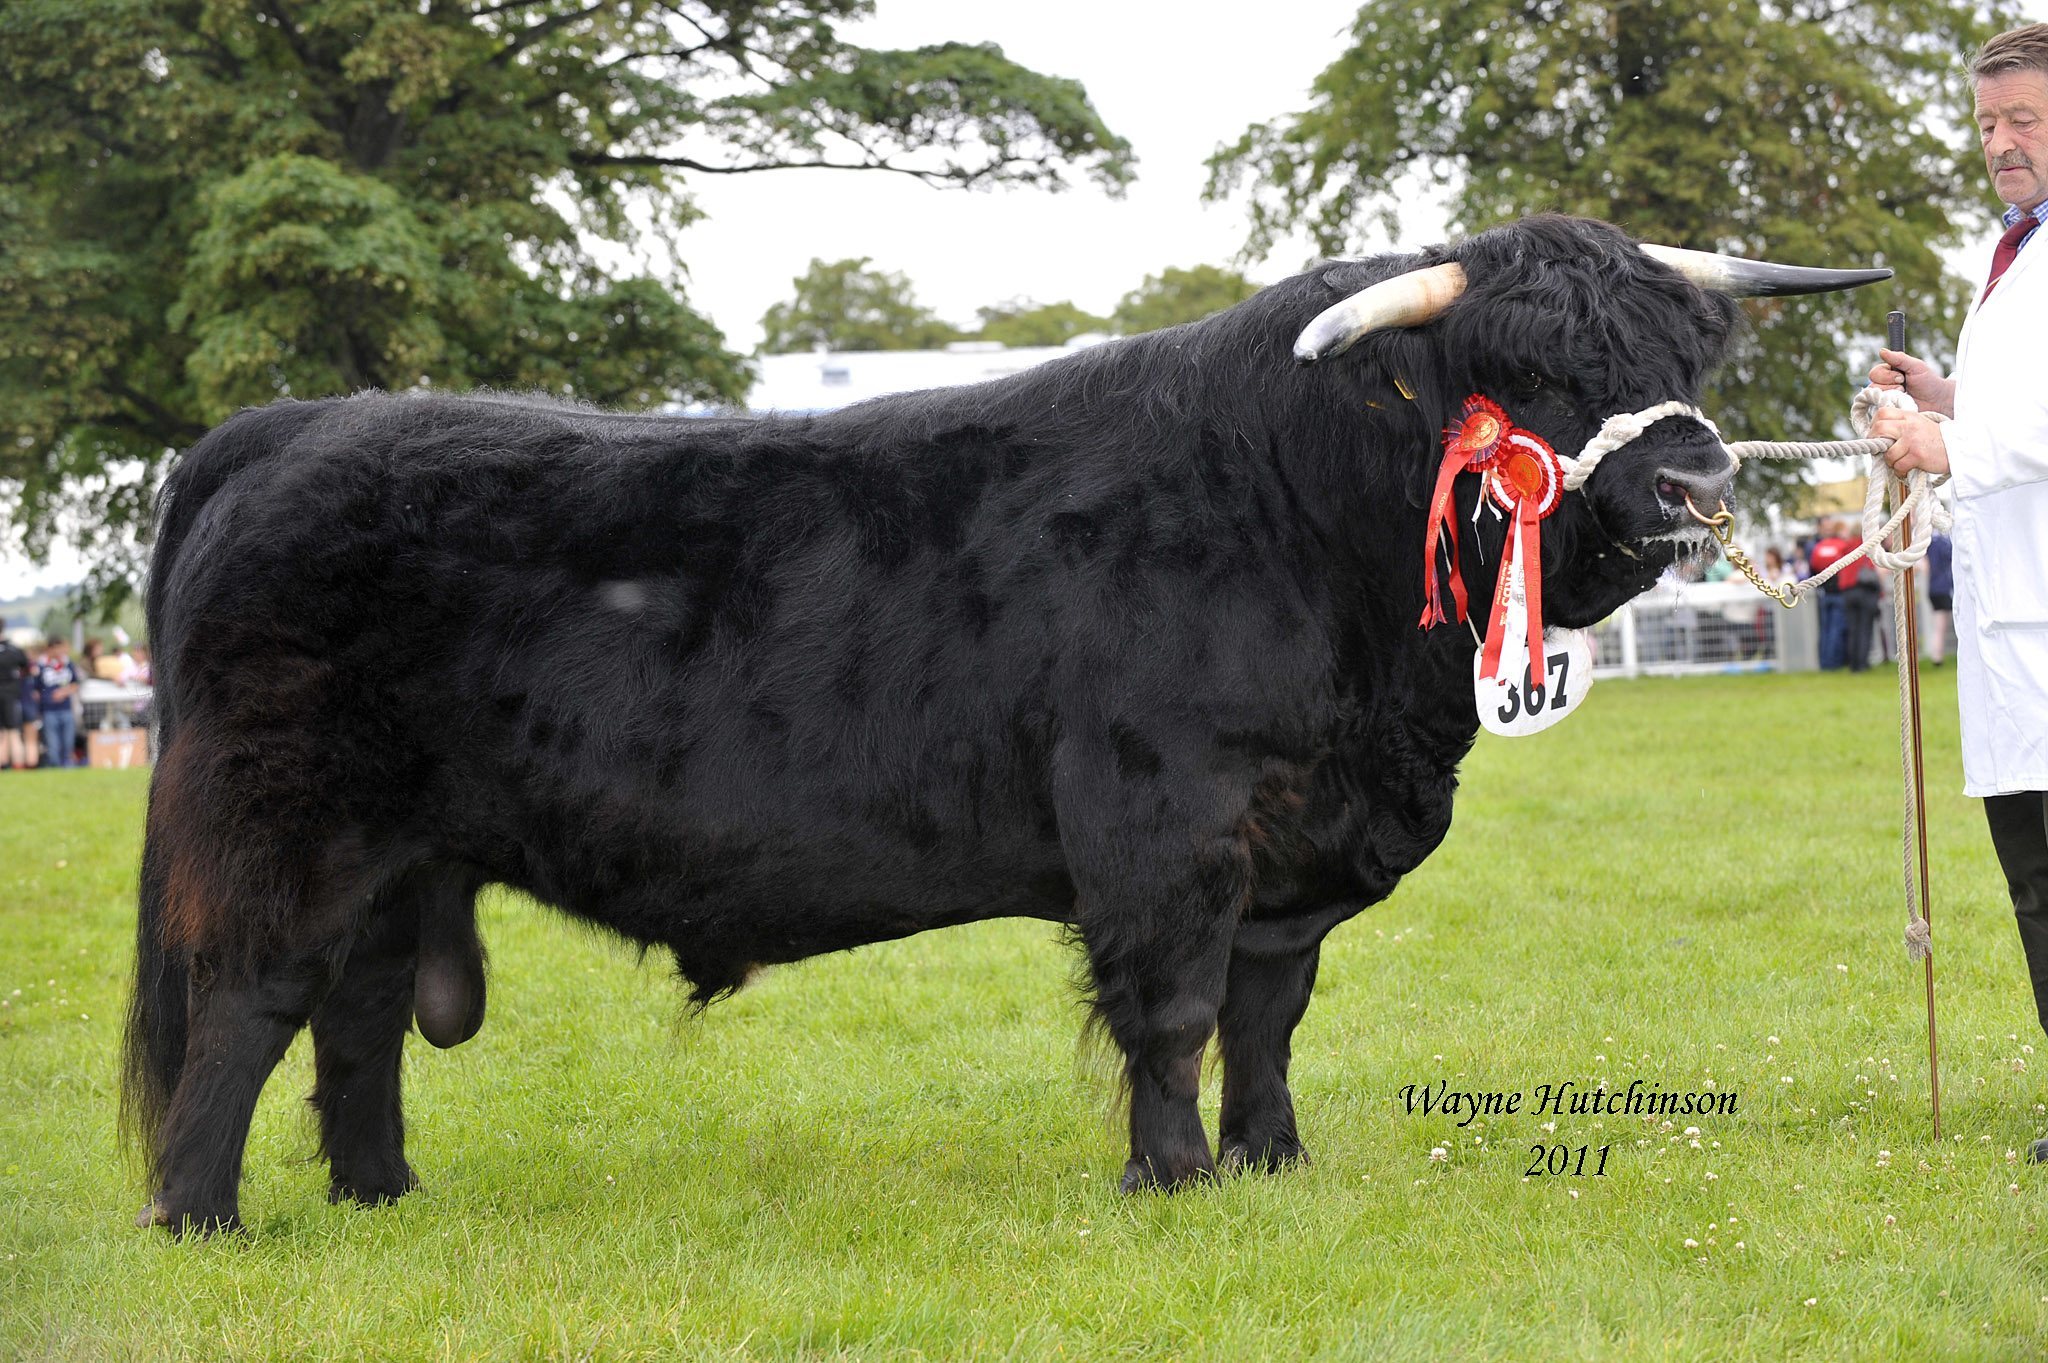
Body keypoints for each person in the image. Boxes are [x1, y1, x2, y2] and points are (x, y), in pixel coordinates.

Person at [1868, 22, 2048, 1159]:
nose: (2000, 143)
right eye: (1986, 123)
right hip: (2009, 618)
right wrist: (1944, 393)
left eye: (2023, 117)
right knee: (2031, 871)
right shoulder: (2011, 256)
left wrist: (1946, 446)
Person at [35, 638, 82, 769]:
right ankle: (54, 767)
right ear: (49, 649)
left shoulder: (68, 664)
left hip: (66, 709)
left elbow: (76, 684)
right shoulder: (41, 665)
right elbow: (35, 688)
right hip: (49, 710)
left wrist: (63, 692)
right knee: (52, 744)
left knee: (68, 742)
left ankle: (67, 766)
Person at [1924, 530, 1955, 665]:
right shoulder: (1943, 543)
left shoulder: (1929, 543)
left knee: (1938, 624)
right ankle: (1937, 656)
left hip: (1933, 586)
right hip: (1943, 587)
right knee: (1941, 625)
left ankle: (1937, 655)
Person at [0, 635, 27, 771]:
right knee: (13, 732)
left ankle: (4, 766)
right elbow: (26, 667)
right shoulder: (14, 650)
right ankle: (18, 765)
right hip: (11, 694)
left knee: (2, 733)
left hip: (7, 694)